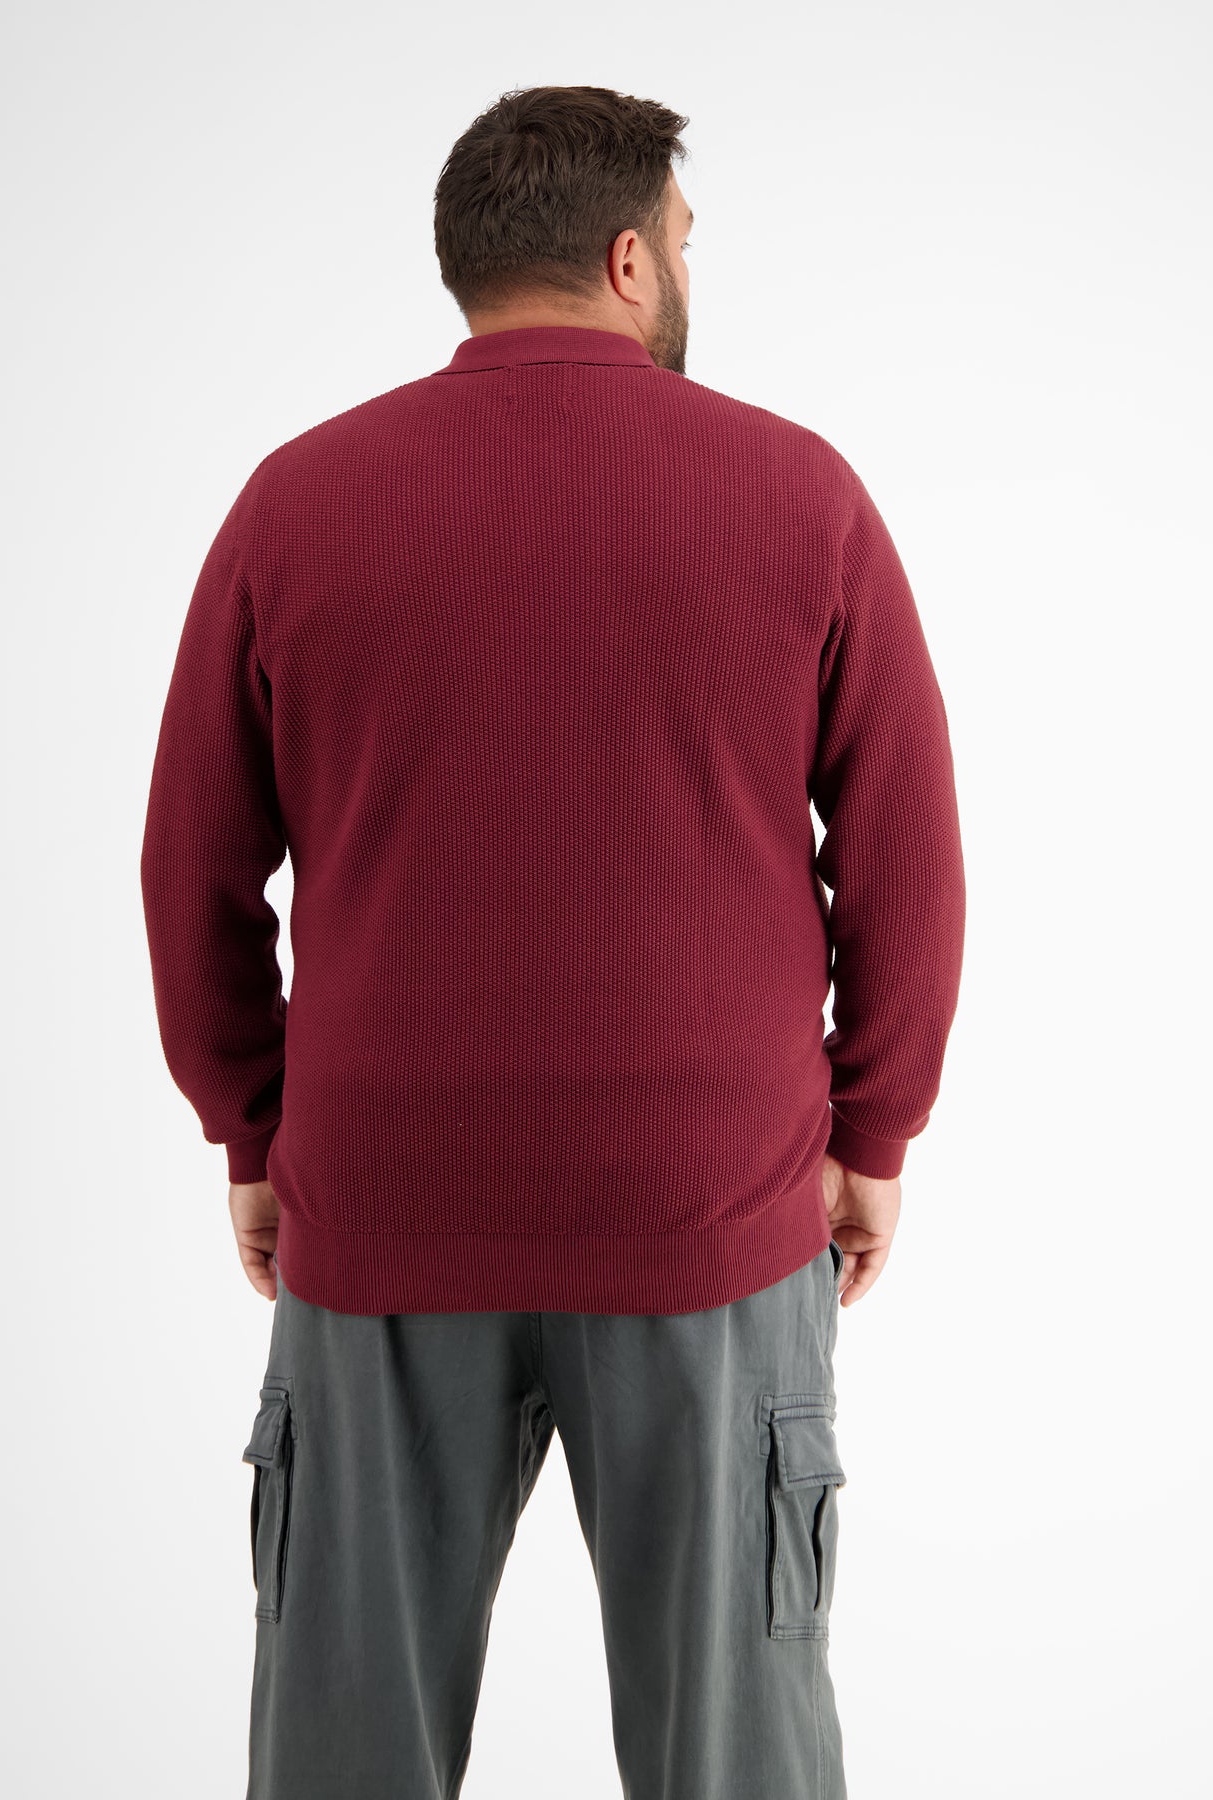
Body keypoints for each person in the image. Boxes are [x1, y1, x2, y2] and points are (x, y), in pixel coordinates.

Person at [140, 83, 965, 1800]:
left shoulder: (298, 502)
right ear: (628, 259)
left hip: (382, 1205)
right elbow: (903, 855)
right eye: (684, 241)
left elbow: (192, 863)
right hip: (705, 1210)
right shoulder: (797, 494)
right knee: (734, 1753)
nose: (685, 269)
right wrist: (873, 1132)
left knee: (342, 1754)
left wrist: (253, 1129)